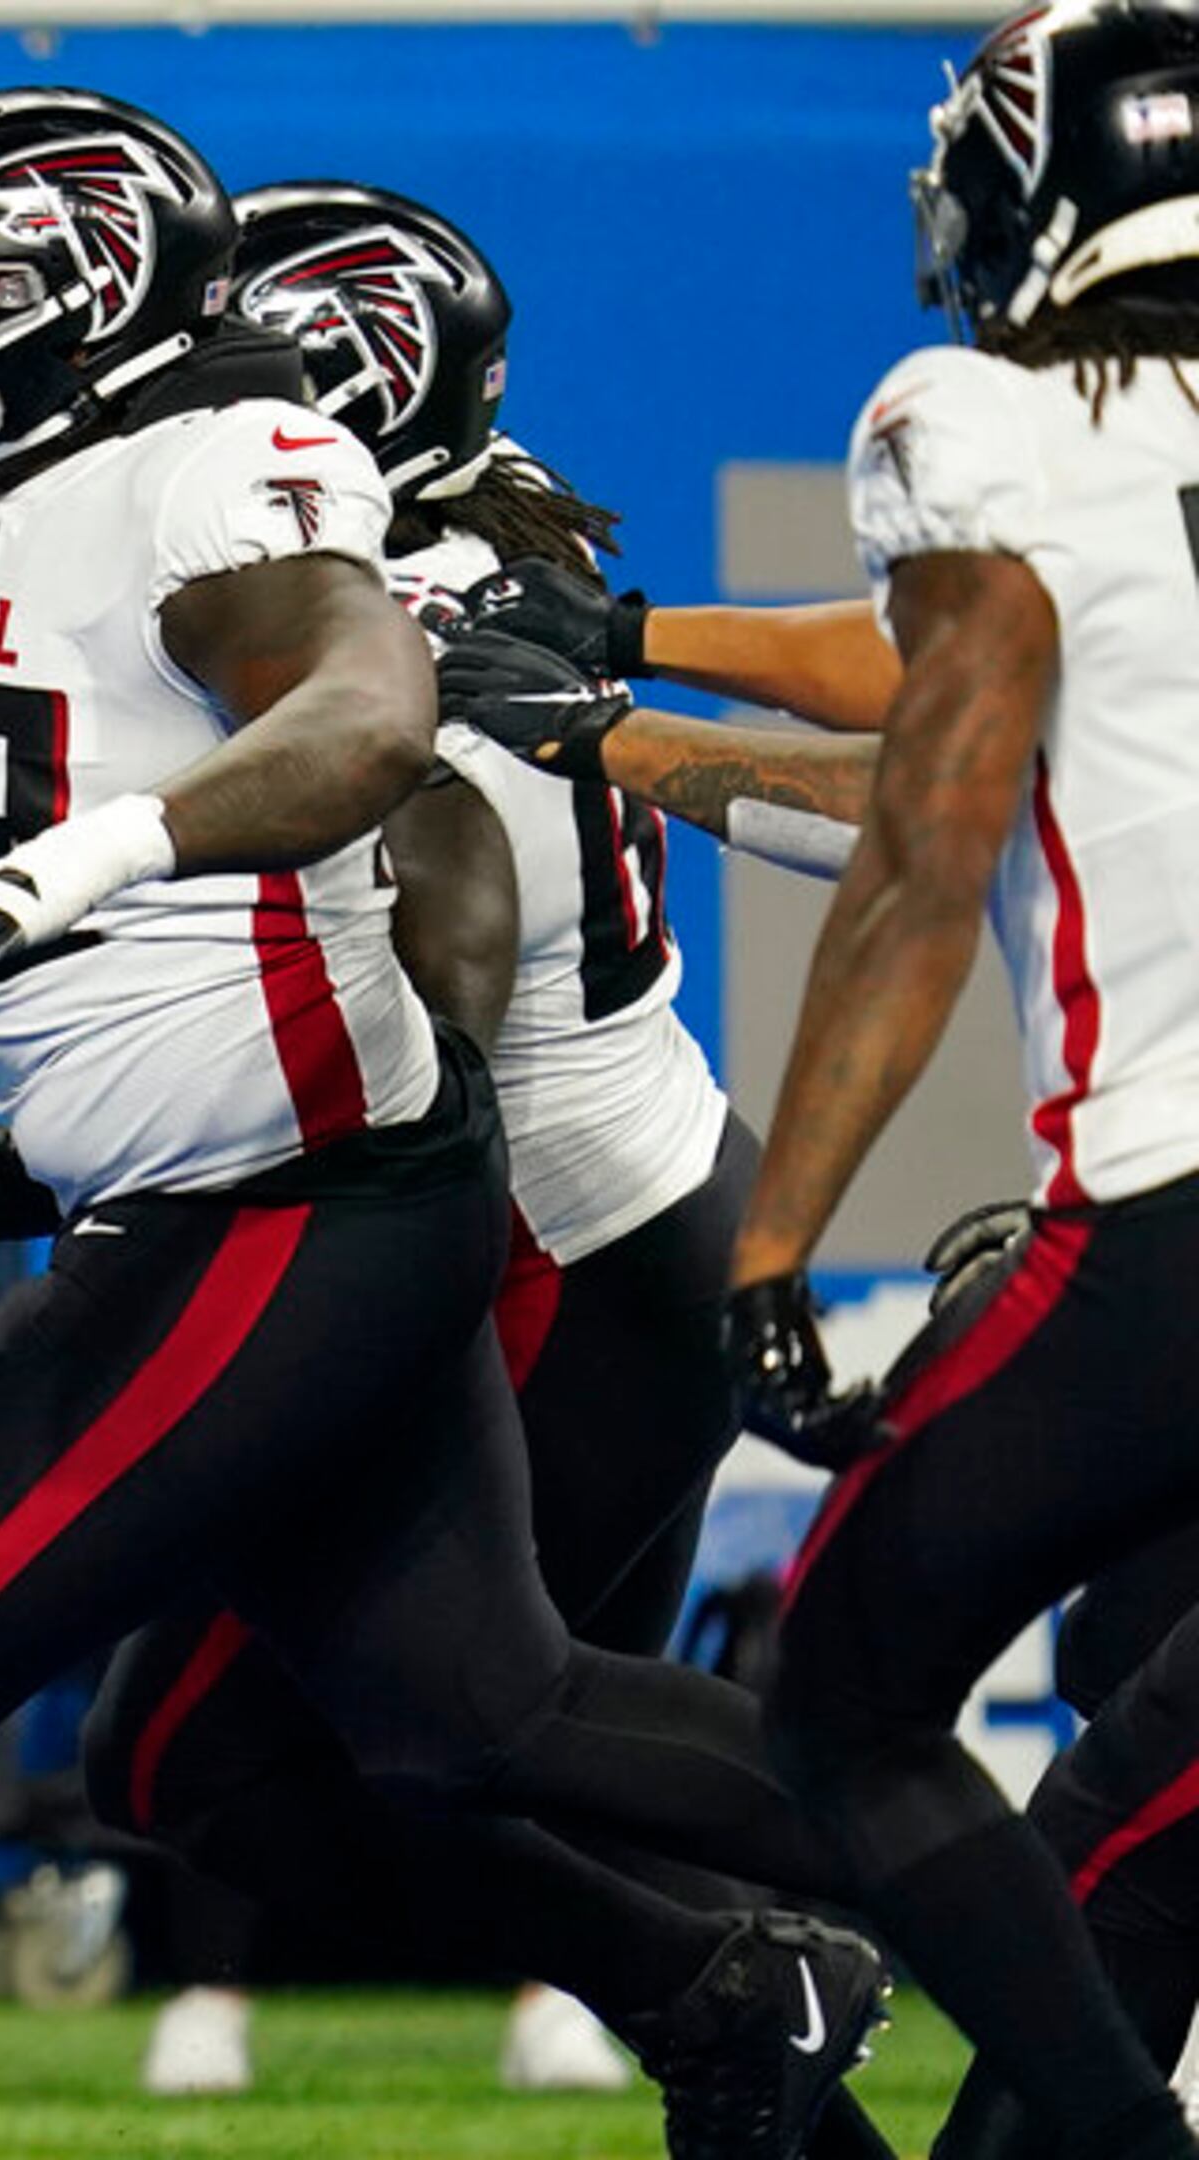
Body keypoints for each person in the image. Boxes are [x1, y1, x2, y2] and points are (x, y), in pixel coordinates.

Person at [0, 88, 891, 2160]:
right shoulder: (41, 492)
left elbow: (371, 799)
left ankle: (984, 1913)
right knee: (426, 1725)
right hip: (350, 1185)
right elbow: (19, 839)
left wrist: (61, 987)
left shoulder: (247, 497)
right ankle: (787, 1975)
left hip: (382, 1199)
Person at [719, 7, 1199, 2158]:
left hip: (1172, 1201)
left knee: (841, 1699)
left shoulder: (989, 419)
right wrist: (645, 686)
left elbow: (936, 831)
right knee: (1136, 1726)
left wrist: (776, 1241)